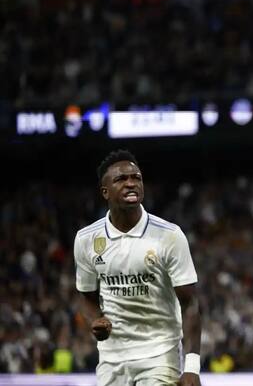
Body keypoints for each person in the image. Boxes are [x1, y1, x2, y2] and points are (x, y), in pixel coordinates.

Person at [73, 149, 202, 385]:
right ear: (105, 192)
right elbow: (87, 296)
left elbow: (190, 303)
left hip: (160, 355)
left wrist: (192, 367)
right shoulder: (86, 239)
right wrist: (95, 319)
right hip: (112, 358)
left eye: (136, 178)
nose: (131, 183)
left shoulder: (170, 235)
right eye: (121, 179)